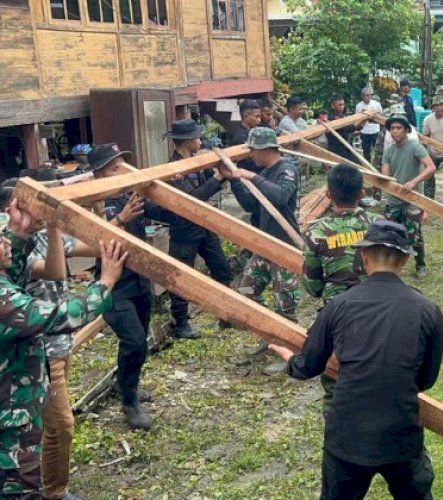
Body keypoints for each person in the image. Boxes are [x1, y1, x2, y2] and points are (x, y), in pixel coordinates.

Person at [269, 220, 443, 500]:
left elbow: (308, 366)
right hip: (400, 434)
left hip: (347, 436)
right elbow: (426, 379)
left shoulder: (338, 306)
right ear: (405, 259)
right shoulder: (428, 311)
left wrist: (291, 360)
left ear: (363, 256)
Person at [0, 200, 127, 497]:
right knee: (19, 488)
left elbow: (14, 270)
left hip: (14, 409)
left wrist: (19, 231)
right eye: (1, 239)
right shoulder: (4, 302)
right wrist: (105, 283)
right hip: (8, 423)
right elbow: (62, 316)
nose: (6, 242)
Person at [89, 144, 174, 430]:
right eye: (114, 169)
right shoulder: (94, 202)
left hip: (139, 280)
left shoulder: (129, 196)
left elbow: (158, 212)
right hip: (115, 286)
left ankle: (128, 384)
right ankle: (129, 401)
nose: (121, 173)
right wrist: (121, 219)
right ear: (99, 174)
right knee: (135, 340)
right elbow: (94, 239)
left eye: (123, 167)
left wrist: (165, 190)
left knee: (139, 341)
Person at [302, 163, 380, 418]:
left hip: (338, 319)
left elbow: (313, 287)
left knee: (335, 382)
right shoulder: (378, 225)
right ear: (361, 194)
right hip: (378, 313)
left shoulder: (316, 232)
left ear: (328, 194)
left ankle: (337, 429)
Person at [165, 119, 235, 339]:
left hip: (204, 225)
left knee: (221, 268)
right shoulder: (173, 169)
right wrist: (217, 177)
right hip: (184, 230)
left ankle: (225, 313)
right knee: (181, 276)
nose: (200, 140)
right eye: (197, 137)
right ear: (188, 142)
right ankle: (181, 324)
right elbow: (193, 199)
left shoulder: (195, 162)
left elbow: (208, 186)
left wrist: (218, 171)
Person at [230, 127, 300, 322]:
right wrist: (234, 181)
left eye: (253, 150)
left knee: (286, 304)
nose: (250, 154)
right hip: (265, 244)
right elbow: (250, 205)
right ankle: (268, 327)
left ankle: (287, 335)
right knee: (247, 291)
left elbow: (281, 196)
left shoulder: (287, 169)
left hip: (284, 244)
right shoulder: (265, 172)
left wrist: (252, 177)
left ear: (267, 150)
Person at [381, 110, 436, 278]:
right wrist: (387, 183)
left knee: (414, 235)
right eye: (392, 128)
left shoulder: (414, 146)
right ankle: (392, 266)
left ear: (406, 130)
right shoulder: (389, 151)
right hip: (393, 200)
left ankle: (420, 264)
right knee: (390, 235)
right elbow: (385, 175)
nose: (395, 131)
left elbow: (431, 167)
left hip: (411, 200)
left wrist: (413, 182)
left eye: (398, 128)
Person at [326, 95, 361, 164]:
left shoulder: (341, 116)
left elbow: (350, 128)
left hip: (345, 146)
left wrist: (363, 120)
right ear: (333, 106)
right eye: (339, 105)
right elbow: (347, 128)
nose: (342, 107)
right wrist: (362, 119)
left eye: (343, 104)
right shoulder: (331, 117)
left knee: (357, 163)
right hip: (336, 148)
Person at [354, 87, 382, 164]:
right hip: (364, 131)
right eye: (364, 95)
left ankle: (377, 164)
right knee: (366, 150)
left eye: (368, 95)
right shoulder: (358, 106)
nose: (366, 97)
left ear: (371, 95)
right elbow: (357, 119)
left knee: (378, 149)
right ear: (361, 96)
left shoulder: (376, 104)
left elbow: (381, 115)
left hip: (375, 130)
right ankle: (367, 164)